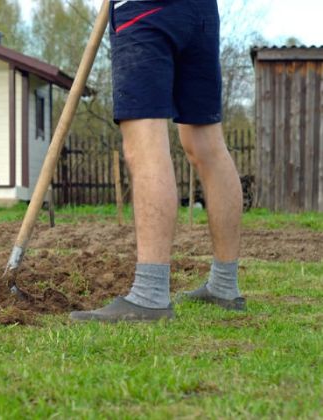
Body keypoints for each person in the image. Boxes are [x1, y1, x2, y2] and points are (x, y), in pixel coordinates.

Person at [70, 0, 245, 322]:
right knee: (207, 143)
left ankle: (150, 296)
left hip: (146, 8)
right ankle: (224, 286)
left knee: (145, 142)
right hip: (201, 11)